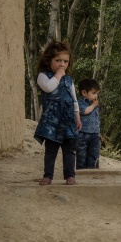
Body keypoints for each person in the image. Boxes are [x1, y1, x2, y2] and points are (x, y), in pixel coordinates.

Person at [34, 40, 81, 186]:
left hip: (68, 120)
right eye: (58, 61)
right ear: (49, 61)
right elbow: (48, 88)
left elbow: (74, 99)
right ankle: (48, 175)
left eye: (65, 62)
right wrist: (58, 75)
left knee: (69, 150)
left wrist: (77, 117)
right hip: (52, 121)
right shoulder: (43, 76)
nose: (62, 64)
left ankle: (70, 176)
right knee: (51, 150)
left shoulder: (69, 80)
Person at [76, 78, 101, 169]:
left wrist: (98, 131)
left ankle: (92, 173)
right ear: (84, 93)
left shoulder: (94, 104)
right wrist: (94, 105)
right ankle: (81, 173)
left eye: (97, 93)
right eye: (93, 93)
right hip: (83, 133)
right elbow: (84, 111)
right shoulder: (80, 103)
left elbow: (96, 119)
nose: (96, 96)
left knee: (94, 156)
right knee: (81, 156)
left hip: (94, 134)